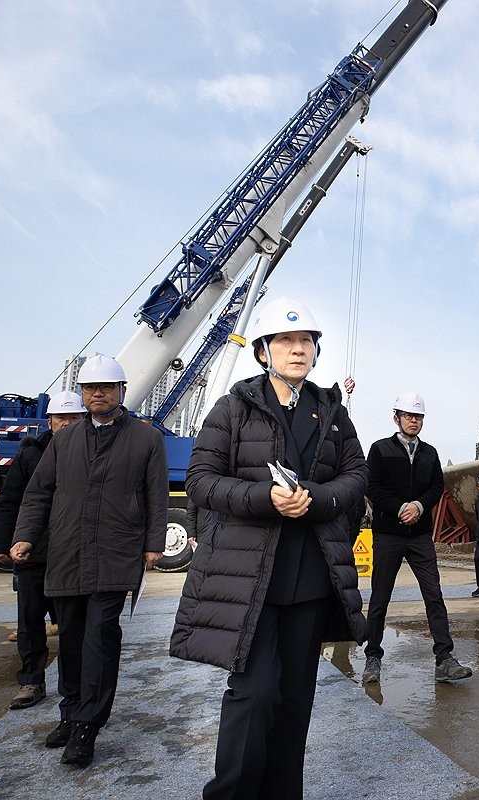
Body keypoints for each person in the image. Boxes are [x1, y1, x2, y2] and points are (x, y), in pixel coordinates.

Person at [170, 296, 368, 800]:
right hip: (249, 577)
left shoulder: (332, 414)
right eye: (285, 341)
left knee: (297, 697)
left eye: (306, 342)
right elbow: (200, 481)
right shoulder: (234, 406)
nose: (297, 350)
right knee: (253, 694)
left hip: (309, 578)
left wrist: (318, 499)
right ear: (264, 351)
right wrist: (265, 497)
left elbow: (356, 476)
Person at [10, 354, 167, 768]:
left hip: (116, 552)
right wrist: (25, 535)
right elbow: (39, 492)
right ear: (82, 395)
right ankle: (71, 711)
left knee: (100, 637)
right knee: (73, 639)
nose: (97, 394)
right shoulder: (64, 440)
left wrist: (153, 543)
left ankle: (87, 726)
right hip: (65, 553)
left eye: (106, 387)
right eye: (89, 388)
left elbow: (156, 495)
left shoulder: (146, 439)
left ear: (121, 391)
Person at [362, 392, 472, 685]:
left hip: (420, 535)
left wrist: (419, 507)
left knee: (434, 595)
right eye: (409, 415)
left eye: (418, 416)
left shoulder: (430, 453)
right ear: (396, 417)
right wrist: (399, 508)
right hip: (389, 534)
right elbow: (371, 486)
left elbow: (437, 486)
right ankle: (373, 656)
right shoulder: (380, 449)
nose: (414, 421)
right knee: (380, 596)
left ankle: (444, 658)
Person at [0, 391, 86, 710]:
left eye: (74, 418)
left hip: (74, 553)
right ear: (50, 421)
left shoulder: (93, 453)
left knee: (73, 625)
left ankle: (74, 687)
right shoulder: (31, 456)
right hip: (34, 552)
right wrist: (1, 542)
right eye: (61, 418)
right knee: (30, 621)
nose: (67, 424)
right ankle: (31, 680)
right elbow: (10, 500)